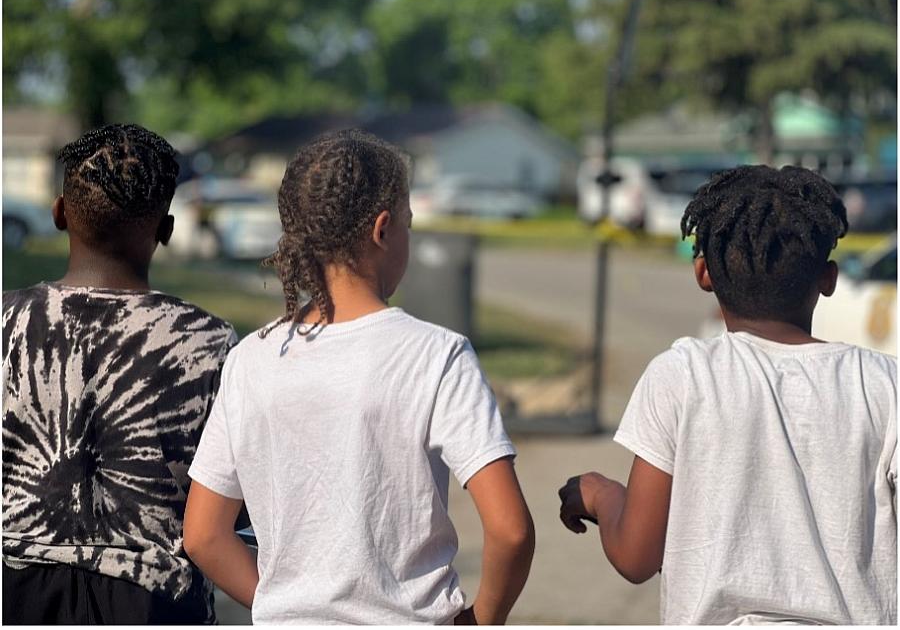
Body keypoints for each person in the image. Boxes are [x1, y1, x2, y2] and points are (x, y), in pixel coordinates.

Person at [184, 129, 535, 624]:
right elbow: (511, 530)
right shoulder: (437, 356)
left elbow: (203, 535)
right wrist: (484, 621)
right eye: (409, 224)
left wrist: (281, 605)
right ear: (384, 229)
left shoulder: (251, 359)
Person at [558, 165, 896, 624]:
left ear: (703, 273)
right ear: (828, 279)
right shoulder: (885, 383)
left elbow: (636, 555)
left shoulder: (682, 375)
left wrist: (598, 494)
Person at [2, 124, 237, 624]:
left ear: (60, 213)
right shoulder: (209, 341)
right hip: (152, 603)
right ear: (166, 231)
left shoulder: (6, 322)